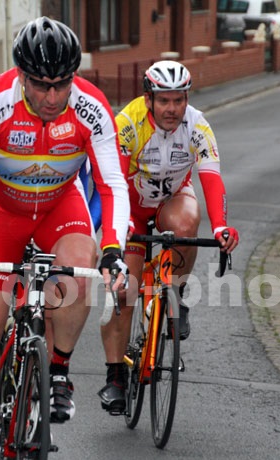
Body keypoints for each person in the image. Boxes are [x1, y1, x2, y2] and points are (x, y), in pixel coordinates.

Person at [0, 17, 130, 460]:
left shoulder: (91, 106)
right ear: (21, 76)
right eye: (40, 85)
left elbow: (113, 183)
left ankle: (58, 372)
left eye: (62, 84)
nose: (52, 97)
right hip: (0, 212)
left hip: (58, 206)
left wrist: (114, 247)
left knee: (80, 266)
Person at [97, 60, 240, 415]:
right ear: (148, 99)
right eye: (164, 100)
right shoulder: (127, 124)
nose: (172, 108)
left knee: (187, 226)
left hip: (171, 200)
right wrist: (118, 225)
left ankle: (175, 293)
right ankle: (116, 377)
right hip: (131, 207)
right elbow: (112, 181)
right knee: (125, 291)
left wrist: (221, 226)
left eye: (179, 100)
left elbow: (211, 177)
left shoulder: (197, 125)